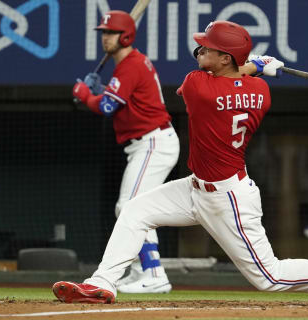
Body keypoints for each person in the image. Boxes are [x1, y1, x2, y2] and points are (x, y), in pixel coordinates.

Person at [53, 20, 308, 306]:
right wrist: (259, 67)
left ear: (225, 58)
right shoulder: (262, 91)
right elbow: (239, 78)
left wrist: (254, 64)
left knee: (270, 277)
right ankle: (102, 282)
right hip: (195, 188)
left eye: (206, 48)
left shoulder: (198, 86)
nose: (198, 50)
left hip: (228, 198)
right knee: (135, 211)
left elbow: (218, 81)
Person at [72, 10, 179, 293]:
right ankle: (144, 271)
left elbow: (108, 107)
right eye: (103, 33)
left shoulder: (131, 64)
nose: (105, 37)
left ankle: (154, 274)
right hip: (147, 144)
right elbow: (120, 100)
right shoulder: (129, 65)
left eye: (111, 33)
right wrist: (103, 90)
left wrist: (86, 94)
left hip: (154, 143)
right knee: (134, 208)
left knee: (130, 207)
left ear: (127, 36)